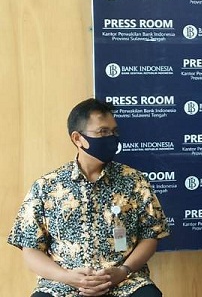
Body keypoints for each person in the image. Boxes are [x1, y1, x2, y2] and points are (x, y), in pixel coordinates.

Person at [8, 98, 170, 297]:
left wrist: (123, 271)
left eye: (114, 131)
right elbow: (30, 249)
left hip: (125, 281)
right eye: (103, 132)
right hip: (63, 284)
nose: (111, 137)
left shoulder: (135, 181)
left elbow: (150, 236)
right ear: (78, 138)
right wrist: (68, 277)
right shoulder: (46, 187)